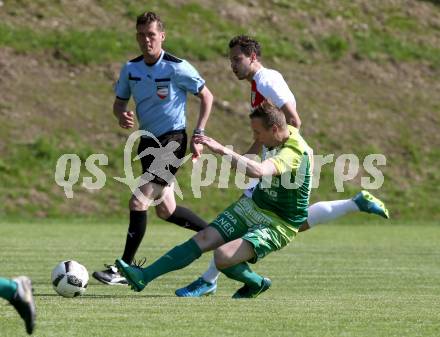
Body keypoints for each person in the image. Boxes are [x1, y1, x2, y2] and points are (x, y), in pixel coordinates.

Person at [174, 35, 389, 297]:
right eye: (230, 59)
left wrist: (276, 158)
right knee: (290, 222)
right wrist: (250, 155)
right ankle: (355, 203)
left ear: (253, 57)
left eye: (237, 59)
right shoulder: (259, 81)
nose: (232, 65)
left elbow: (293, 120)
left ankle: (209, 280)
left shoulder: (266, 80)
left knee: (250, 218)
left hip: (286, 162)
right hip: (279, 160)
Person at [115, 100, 313, 298]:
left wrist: (221, 149)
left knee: (223, 256)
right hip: (254, 205)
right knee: (204, 238)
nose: (255, 137)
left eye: (258, 133)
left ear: (275, 129)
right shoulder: (279, 134)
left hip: (278, 223)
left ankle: (256, 283)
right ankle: (143, 276)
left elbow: (258, 171)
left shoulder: (294, 152)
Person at [92, 11, 213, 285]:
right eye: (142, 35)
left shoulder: (176, 67)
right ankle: (218, 235)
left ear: (162, 36)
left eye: (152, 35)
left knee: (139, 200)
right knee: (165, 210)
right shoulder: (130, 69)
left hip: (173, 141)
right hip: (147, 142)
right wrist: (120, 113)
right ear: (137, 36)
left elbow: (206, 95)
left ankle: (122, 269)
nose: (147, 40)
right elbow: (119, 102)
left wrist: (199, 132)